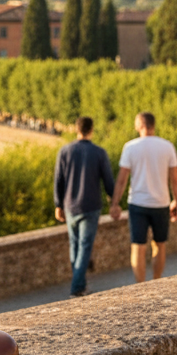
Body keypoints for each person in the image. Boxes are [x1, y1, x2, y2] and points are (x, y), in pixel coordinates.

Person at [110, 111, 177, 282]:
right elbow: (175, 180)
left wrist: (114, 204)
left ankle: (140, 287)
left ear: (139, 126)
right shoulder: (167, 146)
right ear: (153, 126)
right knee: (160, 244)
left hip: (137, 204)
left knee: (138, 246)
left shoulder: (130, 147)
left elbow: (121, 180)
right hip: (161, 203)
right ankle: (156, 281)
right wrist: (176, 202)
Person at [54, 116, 114, 298]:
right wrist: (114, 201)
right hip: (91, 206)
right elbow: (108, 181)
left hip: (70, 205)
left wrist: (58, 204)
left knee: (75, 244)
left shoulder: (65, 151)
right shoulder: (99, 153)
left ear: (76, 129)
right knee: (85, 245)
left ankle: (79, 284)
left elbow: (58, 180)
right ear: (91, 130)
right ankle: (77, 288)